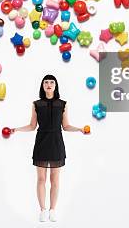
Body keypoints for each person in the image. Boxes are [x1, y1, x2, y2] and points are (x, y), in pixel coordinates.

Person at [12, 74, 87, 223]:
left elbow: (65, 126)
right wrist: (17, 129)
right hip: (41, 142)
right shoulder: (36, 104)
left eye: (51, 82)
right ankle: (43, 210)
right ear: (42, 85)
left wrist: (79, 129)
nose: (48, 84)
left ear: (55, 85)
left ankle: (52, 210)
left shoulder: (63, 104)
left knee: (55, 179)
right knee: (41, 178)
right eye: (46, 82)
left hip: (56, 142)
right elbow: (32, 126)